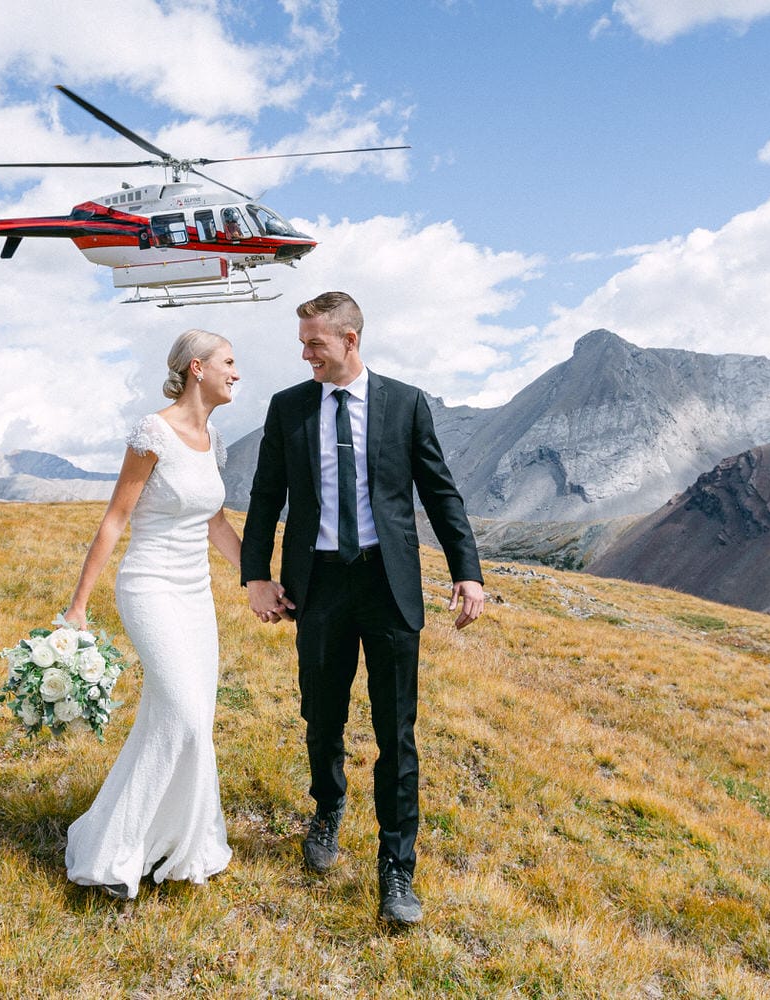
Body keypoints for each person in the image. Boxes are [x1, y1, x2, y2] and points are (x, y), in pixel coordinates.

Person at [241, 291, 484, 925]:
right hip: (316, 588)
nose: (305, 354)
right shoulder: (289, 407)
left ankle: (396, 865)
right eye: (302, 343)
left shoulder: (404, 403)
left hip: (388, 586)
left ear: (350, 340)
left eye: (315, 343)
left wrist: (468, 572)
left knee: (395, 733)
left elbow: (439, 490)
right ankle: (328, 808)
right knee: (321, 716)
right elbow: (266, 494)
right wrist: (255, 577)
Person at [61, 329, 242, 899]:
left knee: (186, 719)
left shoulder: (214, 438)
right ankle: (112, 852)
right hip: (149, 587)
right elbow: (116, 517)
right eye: (229, 363)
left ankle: (176, 841)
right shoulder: (152, 432)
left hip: (196, 595)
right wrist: (79, 606)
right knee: (184, 715)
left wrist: (258, 579)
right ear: (197, 368)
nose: (236, 374)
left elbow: (213, 521)